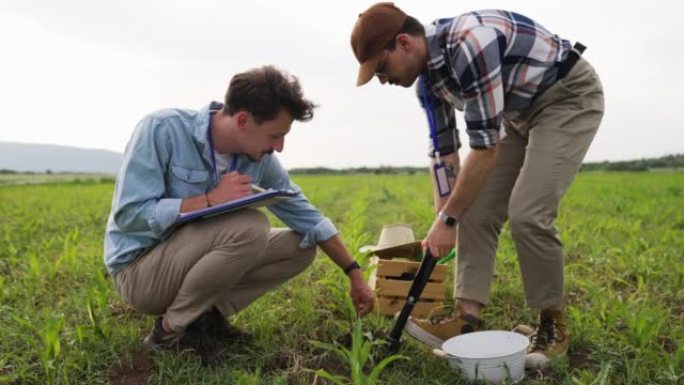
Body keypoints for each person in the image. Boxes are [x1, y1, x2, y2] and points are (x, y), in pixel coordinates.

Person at [350, 3, 604, 368]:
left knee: (527, 214)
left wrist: (449, 220)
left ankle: (553, 326)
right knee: (472, 210)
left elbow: (484, 151)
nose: (382, 79)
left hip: (566, 97)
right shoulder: (427, 83)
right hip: (516, 115)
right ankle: (466, 321)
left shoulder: (470, 44)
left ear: (403, 43)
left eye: (381, 68)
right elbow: (444, 153)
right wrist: (445, 215)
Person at [104, 65, 375, 354]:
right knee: (251, 226)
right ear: (243, 120)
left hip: (189, 261)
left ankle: (205, 319)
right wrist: (208, 199)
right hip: (140, 271)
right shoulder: (162, 129)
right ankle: (169, 333)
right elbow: (129, 214)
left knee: (301, 246)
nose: (279, 147)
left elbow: (306, 215)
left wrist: (354, 273)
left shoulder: (258, 159)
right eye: (274, 136)